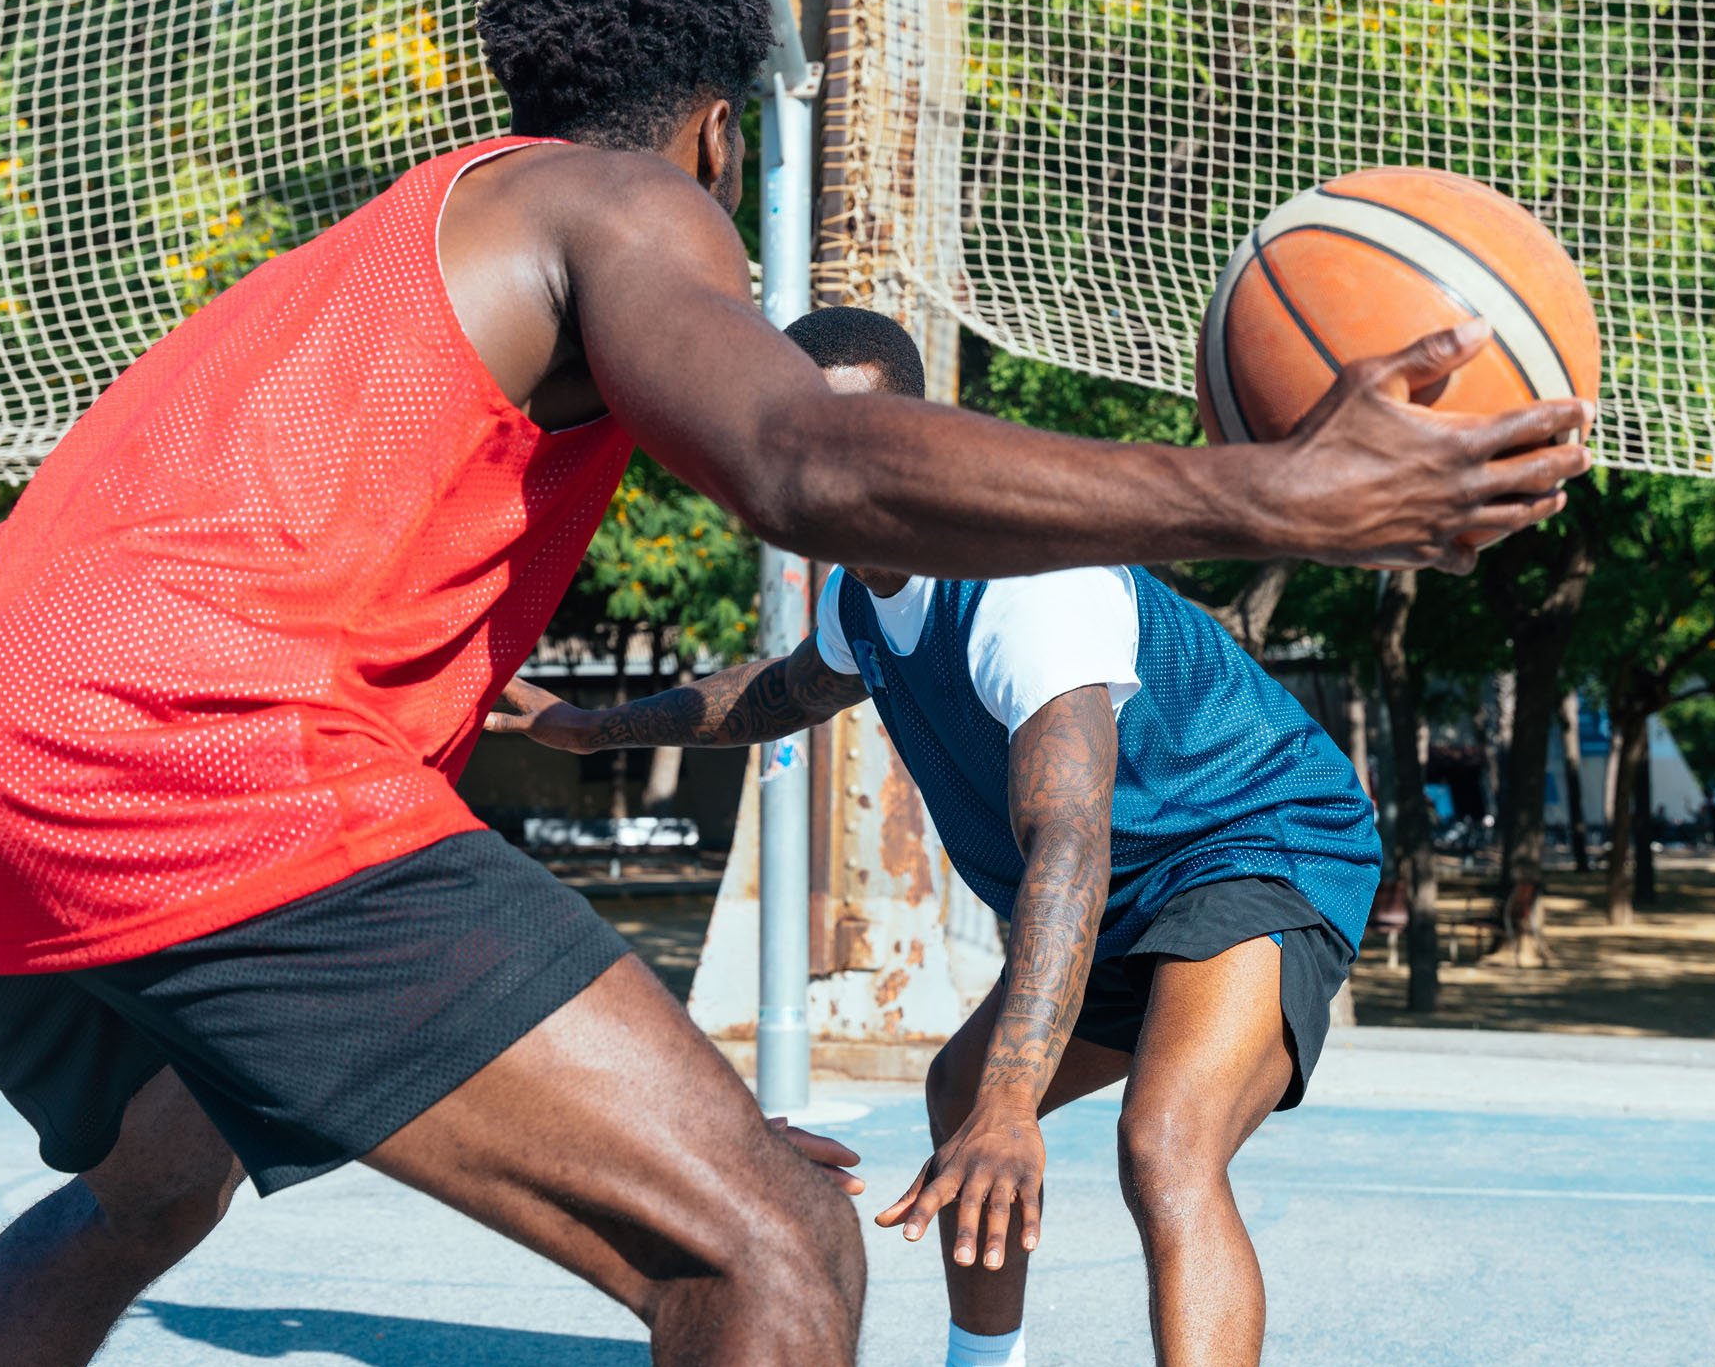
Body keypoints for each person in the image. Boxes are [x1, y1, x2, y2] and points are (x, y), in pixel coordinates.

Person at [0, 0, 1589, 1367]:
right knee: (772, 1243)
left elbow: (794, 689)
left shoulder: (385, 240)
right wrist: (1273, 494)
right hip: (181, 743)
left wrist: (639, 1044)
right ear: (710, 138)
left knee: (148, 1187)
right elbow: (808, 466)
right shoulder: (622, 203)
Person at [489, 306, 1385, 1367]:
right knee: (959, 1095)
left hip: (1246, 840)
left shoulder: (1027, 586)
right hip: (1127, 890)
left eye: (867, 440)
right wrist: (593, 727)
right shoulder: (862, 595)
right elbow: (782, 692)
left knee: (1164, 1142)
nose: (840, 470)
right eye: (809, 440)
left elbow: (1067, 844)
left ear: (922, 444)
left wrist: (1019, 1103)